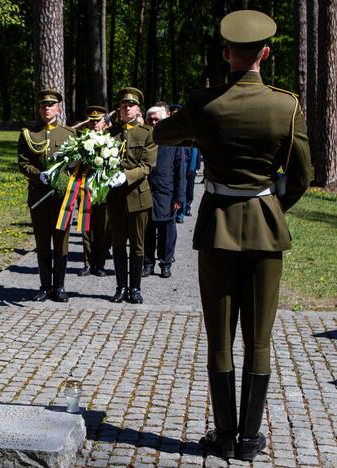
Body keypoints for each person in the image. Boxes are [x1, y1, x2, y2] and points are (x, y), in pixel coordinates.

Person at [153, 10, 311, 461]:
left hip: (217, 226)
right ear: (265, 53)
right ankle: (248, 441)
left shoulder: (204, 104)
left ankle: (223, 434)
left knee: (220, 339)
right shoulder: (286, 105)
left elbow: (164, 132)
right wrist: (274, 209)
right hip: (265, 227)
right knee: (258, 340)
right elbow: (302, 174)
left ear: (227, 54)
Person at [18, 89, 76, 302]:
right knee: (42, 242)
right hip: (39, 195)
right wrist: (37, 175)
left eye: (51, 104)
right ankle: (44, 286)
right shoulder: (29, 133)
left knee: (61, 241)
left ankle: (59, 286)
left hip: (62, 197)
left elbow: (76, 165)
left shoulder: (69, 134)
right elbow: (23, 163)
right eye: (43, 105)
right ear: (39, 108)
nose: (47, 108)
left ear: (58, 108)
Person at [105, 87, 157, 304]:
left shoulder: (147, 133)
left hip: (137, 196)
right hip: (115, 197)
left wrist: (125, 176)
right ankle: (120, 287)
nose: (127, 108)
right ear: (119, 108)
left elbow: (147, 166)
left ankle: (135, 288)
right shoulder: (110, 134)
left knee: (137, 245)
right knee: (118, 244)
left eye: (132, 105)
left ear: (138, 109)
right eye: (124, 104)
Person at [142, 105, 186, 278]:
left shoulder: (174, 142)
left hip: (166, 193)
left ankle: (165, 263)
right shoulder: (144, 140)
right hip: (146, 193)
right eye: (150, 119)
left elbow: (180, 171)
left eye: (156, 119)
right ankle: (148, 263)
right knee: (147, 231)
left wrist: (179, 196)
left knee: (167, 231)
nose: (153, 122)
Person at [76, 105, 112, 277]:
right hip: (85, 188)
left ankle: (100, 263)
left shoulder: (112, 140)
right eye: (92, 121)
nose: (95, 124)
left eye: (98, 121)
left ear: (105, 122)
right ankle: (88, 263)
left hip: (104, 191)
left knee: (103, 229)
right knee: (86, 228)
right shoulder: (80, 140)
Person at [176, 146, 201, 223]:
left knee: (185, 188)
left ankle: (181, 214)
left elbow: (194, 149)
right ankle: (183, 210)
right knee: (182, 187)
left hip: (187, 164)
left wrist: (192, 167)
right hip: (180, 161)